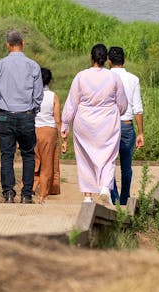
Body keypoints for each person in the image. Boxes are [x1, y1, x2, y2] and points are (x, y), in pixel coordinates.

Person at [61, 43, 127, 206]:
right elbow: (123, 104)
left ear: (91, 58)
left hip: (84, 123)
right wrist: (114, 111)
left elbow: (72, 104)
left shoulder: (81, 76)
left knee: (85, 158)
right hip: (107, 124)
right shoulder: (114, 78)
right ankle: (105, 188)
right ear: (106, 60)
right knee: (109, 156)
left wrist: (65, 125)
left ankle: (88, 196)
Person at [0, 30, 43, 203]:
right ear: (23, 43)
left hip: (5, 115)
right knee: (28, 155)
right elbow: (38, 95)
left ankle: (8, 193)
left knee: (7, 155)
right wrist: (34, 110)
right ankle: (27, 194)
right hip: (26, 115)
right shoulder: (33, 66)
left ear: (8, 45)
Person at [108, 46, 144, 206]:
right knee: (126, 166)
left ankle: (114, 197)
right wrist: (141, 132)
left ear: (109, 61)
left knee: (108, 163)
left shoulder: (105, 77)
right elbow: (138, 108)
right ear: (124, 60)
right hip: (127, 125)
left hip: (109, 125)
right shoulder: (133, 79)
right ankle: (125, 199)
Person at [32, 68, 64, 204]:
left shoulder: (31, 94)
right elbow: (57, 119)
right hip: (49, 132)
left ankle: (30, 190)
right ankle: (42, 195)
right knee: (47, 165)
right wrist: (63, 138)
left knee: (33, 162)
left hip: (33, 130)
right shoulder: (53, 96)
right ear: (50, 81)